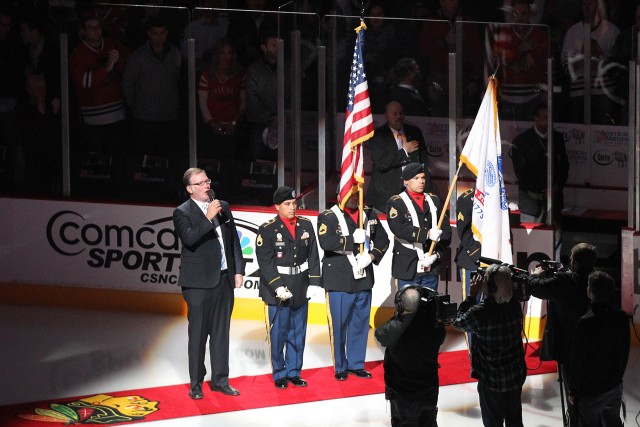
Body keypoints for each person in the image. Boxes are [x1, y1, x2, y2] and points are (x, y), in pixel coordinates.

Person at [172, 167, 245, 399]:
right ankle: (196, 384)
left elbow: (233, 240)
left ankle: (221, 381)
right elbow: (190, 239)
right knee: (198, 335)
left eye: (207, 181)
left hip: (224, 279)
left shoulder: (222, 205)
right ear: (190, 189)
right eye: (201, 183)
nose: (207, 186)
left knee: (221, 333)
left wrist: (238, 270)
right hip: (198, 284)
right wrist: (208, 217)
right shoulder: (182, 212)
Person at [317, 190, 389, 381]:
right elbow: (326, 242)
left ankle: (356, 364)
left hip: (363, 277)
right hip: (339, 279)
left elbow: (383, 240)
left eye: (356, 194)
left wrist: (372, 256)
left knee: (360, 324)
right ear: (340, 196)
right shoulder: (328, 216)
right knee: (339, 325)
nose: (354, 198)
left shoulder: (369, 214)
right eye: (349, 194)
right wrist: (350, 241)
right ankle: (340, 367)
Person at [255, 186, 321, 389]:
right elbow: (265, 263)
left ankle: (294, 371)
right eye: (287, 204)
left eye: (294, 203)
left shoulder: (306, 225)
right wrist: (277, 287)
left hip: (300, 285)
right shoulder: (267, 229)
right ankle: (280, 373)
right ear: (277, 207)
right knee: (279, 334)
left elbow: (313, 255)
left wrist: (315, 281)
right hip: (278, 289)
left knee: (297, 332)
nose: (293, 207)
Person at [528, 242, 597, 426]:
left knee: (574, 397)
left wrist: (536, 276)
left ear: (574, 263)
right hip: (596, 348)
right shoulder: (598, 280)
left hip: (569, 349)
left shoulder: (564, 281)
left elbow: (536, 287)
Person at [453, 264, 527, 427]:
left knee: (493, 423)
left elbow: (459, 323)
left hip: (491, 379)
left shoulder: (481, 311)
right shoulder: (515, 306)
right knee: (515, 421)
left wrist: (472, 296)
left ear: (491, 286)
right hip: (514, 376)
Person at [69, 15, 129, 187]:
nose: (96, 30)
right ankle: (97, 190)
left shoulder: (111, 44)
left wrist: (118, 63)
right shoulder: (78, 53)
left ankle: (117, 188)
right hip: (93, 119)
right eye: (91, 27)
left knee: (117, 158)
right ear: (83, 32)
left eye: (98, 27)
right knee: (96, 161)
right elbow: (84, 81)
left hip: (117, 113)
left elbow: (128, 61)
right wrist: (107, 68)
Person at [375, 286, 446, 426]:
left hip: (403, 393)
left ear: (400, 305)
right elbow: (441, 336)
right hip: (429, 389)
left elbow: (379, 334)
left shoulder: (395, 328)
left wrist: (400, 315)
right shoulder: (434, 327)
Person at [569, 271, 630, 427]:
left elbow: (578, 360)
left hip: (591, 391)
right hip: (614, 385)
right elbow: (624, 352)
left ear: (590, 292)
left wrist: (573, 390)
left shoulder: (586, 322)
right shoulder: (621, 318)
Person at [122, 16, 182, 159]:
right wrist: (137, 106)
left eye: (162, 33)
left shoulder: (175, 54)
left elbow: (177, 79)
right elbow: (127, 84)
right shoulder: (138, 57)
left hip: (169, 116)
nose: (159, 37)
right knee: (144, 158)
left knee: (167, 158)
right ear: (149, 33)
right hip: (144, 118)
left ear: (166, 33)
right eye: (155, 33)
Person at [387, 162, 451, 292]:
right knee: (408, 308)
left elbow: (446, 231)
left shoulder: (434, 200)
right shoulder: (396, 202)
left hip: (430, 267)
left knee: (429, 308)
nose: (421, 181)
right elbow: (398, 229)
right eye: (416, 178)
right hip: (408, 267)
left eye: (423, 178)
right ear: (406, 181)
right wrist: (426, 234)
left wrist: (437, 255)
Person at [561, 0, 620, 124]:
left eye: (590, 3)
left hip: (604, 92)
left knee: (604, 132)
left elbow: (618, 64)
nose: (586, 7)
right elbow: (565, 65)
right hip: (579, 92)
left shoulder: (611, 30)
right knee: (579, 133)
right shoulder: (573, 31)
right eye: (584, 4)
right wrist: (583, 59)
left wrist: (599, 61)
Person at [366, 100, 431, 213]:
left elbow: (424, 163)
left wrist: (428, 190)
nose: (398, 117)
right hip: (385, 198)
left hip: (412, 194)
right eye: (394, 114)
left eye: (401, 114)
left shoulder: (415, 132)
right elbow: (381, 163)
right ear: (386, 116)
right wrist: (404, 151)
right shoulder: (378, 135)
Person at [511, 103, 569, 224]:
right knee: (531, 237)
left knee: (555, 236)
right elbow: (521, 172)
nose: (547, 121)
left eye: (549, 117)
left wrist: (556, 187)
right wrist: (541, 189)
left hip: (554, 199)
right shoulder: (521, 141)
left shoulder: (557, 138)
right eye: (544, 117)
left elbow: (564, 165)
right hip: (530, 201)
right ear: (535, 118)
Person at [492, 0, 549, 121]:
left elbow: (547, 65)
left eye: (523, 14)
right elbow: (498, 60)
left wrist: (545, 90)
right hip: (508, 96)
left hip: (533, 96)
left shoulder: (539, 34)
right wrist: (519, 50)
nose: (519, 17)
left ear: (530, 14)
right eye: (516, 13)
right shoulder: (505, 33)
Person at [198, 38, 246, 160]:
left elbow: (243, 101)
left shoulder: (239, 74)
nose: (226, 57)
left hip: (232, 126)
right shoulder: (207, 74)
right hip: (212, 126)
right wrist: (211, 123)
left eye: (229, 53)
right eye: (223, 53)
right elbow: (203, 102)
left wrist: (234, 122)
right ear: (217, 54)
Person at [454, 185, 481, 350]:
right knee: (471, 308)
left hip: (495, 261)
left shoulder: (499, 197)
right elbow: (464, 231)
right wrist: (479, 255)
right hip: (472, 260)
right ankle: (473, 355)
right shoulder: (466, 199)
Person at [245, 33, 278, 161]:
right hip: (259, 125)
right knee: (258, 163)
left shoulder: (288, 68)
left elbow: (294, 95)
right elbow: (251, 98)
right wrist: (270, 117)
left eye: (279, 45)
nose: (277, 48)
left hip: (284, 125)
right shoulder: (254, 70)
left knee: (283, 163)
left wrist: (283, 116)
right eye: (273, 45)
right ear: (264, 48)